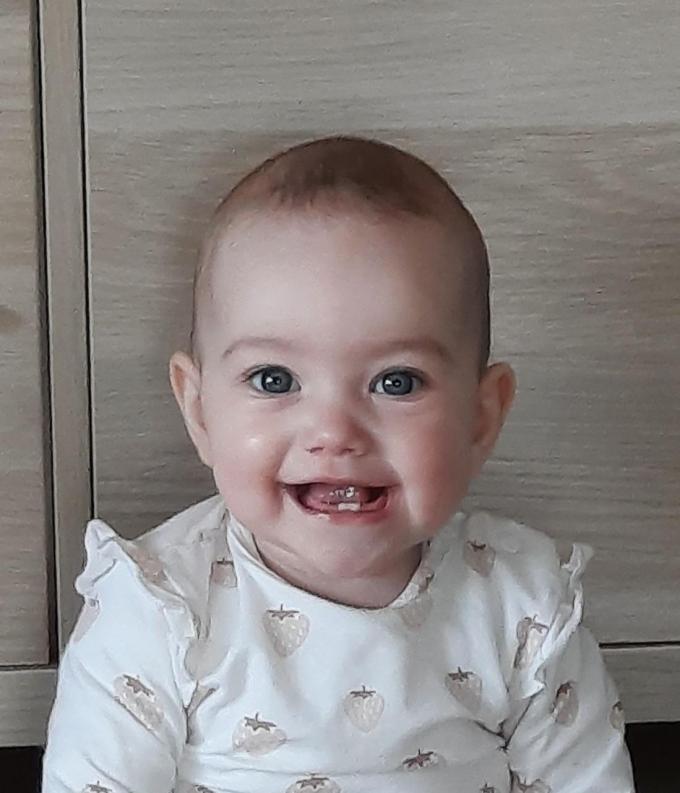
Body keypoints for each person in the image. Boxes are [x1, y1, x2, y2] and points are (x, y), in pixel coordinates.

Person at [42, 136, 636, 793]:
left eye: (396, 382)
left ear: (479, 417)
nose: (334, 432)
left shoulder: (522, 608)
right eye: (274, 379)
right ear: (201, 411)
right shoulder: (159, 608)